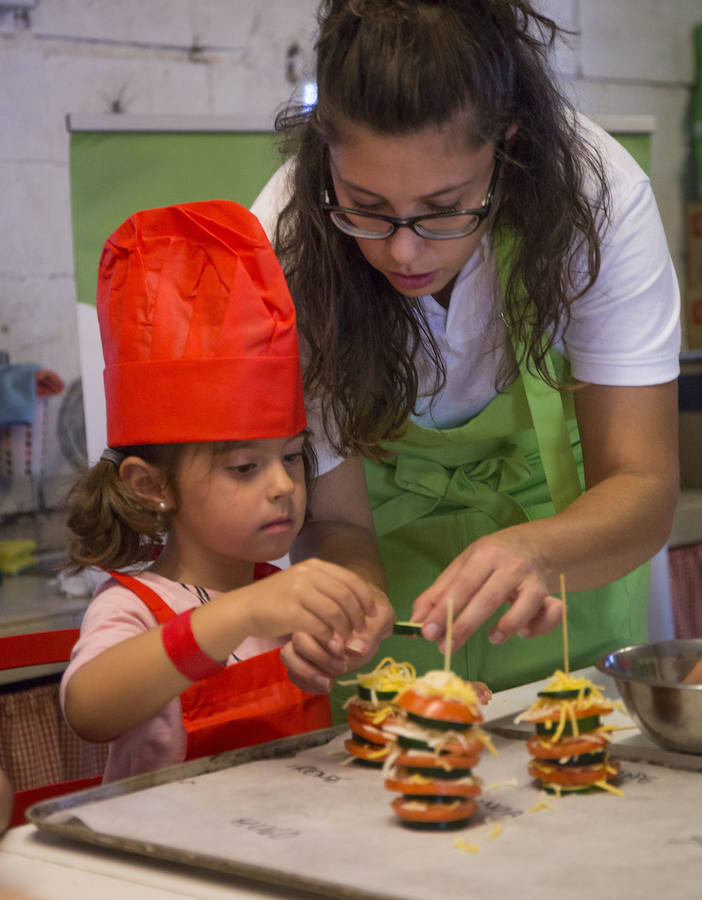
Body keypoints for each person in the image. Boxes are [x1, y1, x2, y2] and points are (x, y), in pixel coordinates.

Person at [252, 0, 681, 705]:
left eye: (445, 207)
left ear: (508, 146)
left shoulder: (596, 199)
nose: (403, 248)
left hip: (569, 551)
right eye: (364, 204)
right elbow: (335, 519)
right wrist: (343, 610)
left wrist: (540, 550)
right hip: (392, 568)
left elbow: (642, 483)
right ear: (324, 152)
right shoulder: (287, 244)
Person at [59, 200, 382, 782]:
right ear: (151, 485)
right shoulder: (134, 608)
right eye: (243, 468)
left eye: (290, 457)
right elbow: (88, 710)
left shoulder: (285, 601)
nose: (284, 486)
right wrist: (238, 613)